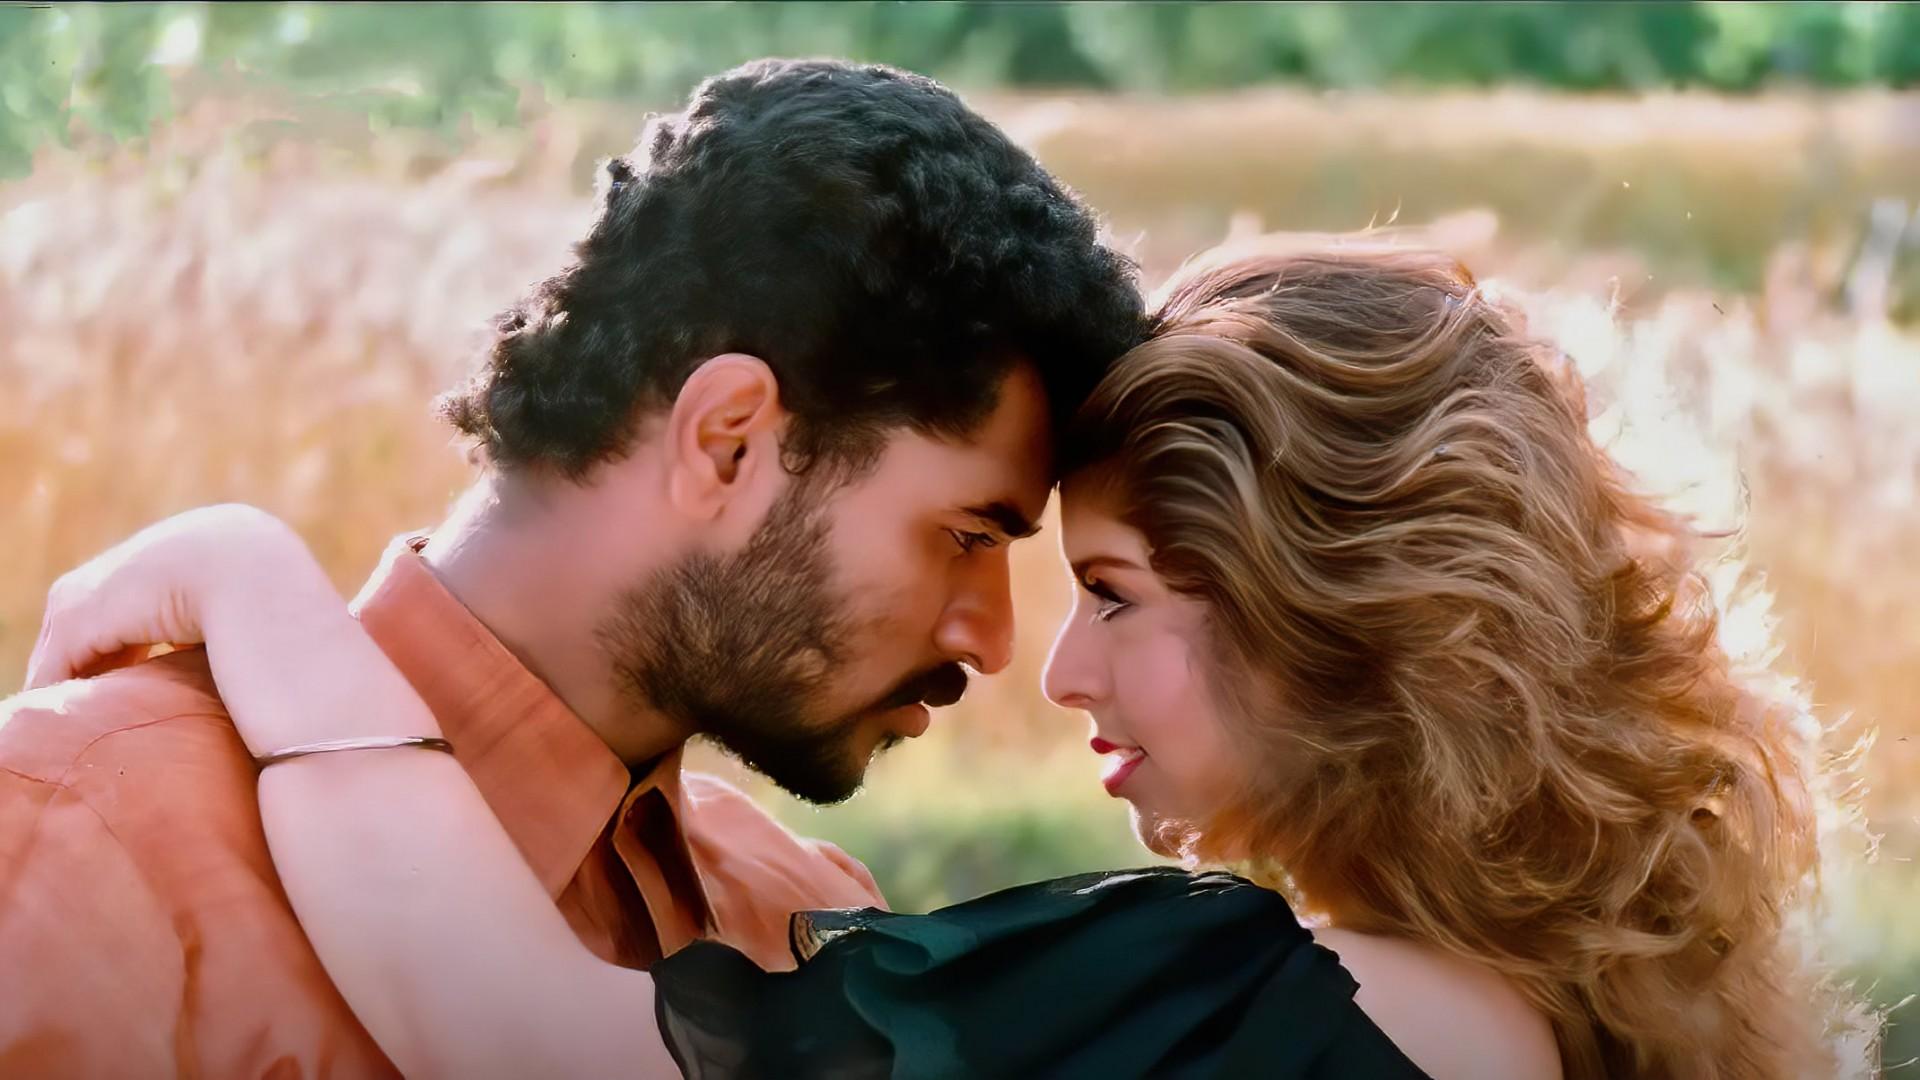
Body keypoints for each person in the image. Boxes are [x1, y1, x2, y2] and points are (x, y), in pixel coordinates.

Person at [28, 248, 1871, 1079]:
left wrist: (247, 578)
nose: (1051, 670)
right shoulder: (1541, 1022)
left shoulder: (1258, 1006)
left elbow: (527, 1038)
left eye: (1117, 593)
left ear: (1339, 618)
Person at [0, 58, 1143, 1076]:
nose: (993, 639)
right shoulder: (81, 843)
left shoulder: (806, 922)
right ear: (727, 441)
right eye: (968, 536)